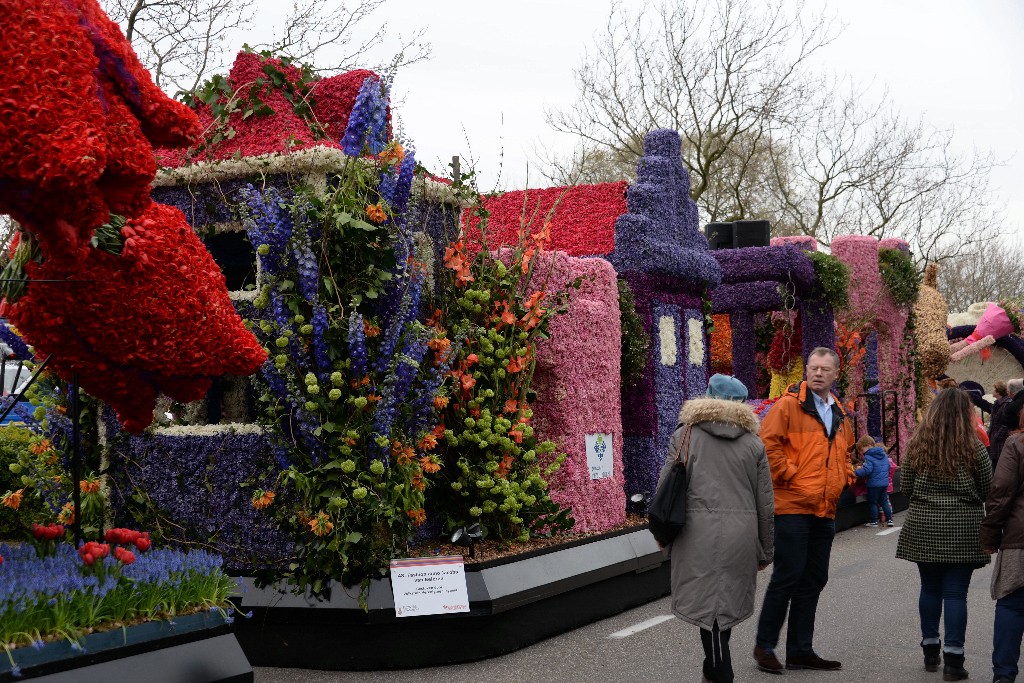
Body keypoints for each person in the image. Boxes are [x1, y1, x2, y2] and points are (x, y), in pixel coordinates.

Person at [658, 373, 774, 683]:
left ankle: (721, 671)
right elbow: (765, 501)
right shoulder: (754, 443)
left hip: (695, 533)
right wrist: (765, 548)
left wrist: (664, 538)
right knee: (726, 604)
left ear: (707, 397)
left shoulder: (685, 435)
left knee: (707, 608)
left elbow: (666, 490)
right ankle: (714, 669)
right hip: (741, 534)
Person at [754, 347, 855, 674]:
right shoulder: (787, 406)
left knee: (814, 578)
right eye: (813, 367)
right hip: (793, 505)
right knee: (788, 574)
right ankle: (765, 646)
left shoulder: (837, 410)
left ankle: (800, 650)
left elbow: (846, 450)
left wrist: (845, 477)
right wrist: (793, 475)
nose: (818, 373)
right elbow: (766, 446)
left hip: (824, 508)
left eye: (825, 369)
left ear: (835, 373)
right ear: (807, 370)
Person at [896, 388, 993, 680]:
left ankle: (929, 650)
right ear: (966, 413)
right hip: (963, 526)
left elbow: (906, 487)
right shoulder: (973, 447)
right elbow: (987, 487)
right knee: (955, 594)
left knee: (929, 588)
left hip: (924, 524)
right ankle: (954, 658)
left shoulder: (917, 445)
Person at [981, 407, 1024, 683]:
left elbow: (1002, 490)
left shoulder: (1017, 443)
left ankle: (1004, 675)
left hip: (1020, 538)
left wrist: (990, 532)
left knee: (1012, 603)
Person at [854, 441, 895, 528]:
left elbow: (867, 470)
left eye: (861, 450)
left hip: (873, 484)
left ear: (867, 446)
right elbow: (888, 466)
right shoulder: (883, 454)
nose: (861, 452)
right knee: (884, 502)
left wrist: (856, 473)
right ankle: (890, 520)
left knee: (873, 502)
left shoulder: (868, 456)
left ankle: (874, 521)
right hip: (884, 483)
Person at [991, 379, 1024, 465]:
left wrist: (996, 436)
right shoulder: (998, 404)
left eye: (994, 389)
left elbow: (1005, 425)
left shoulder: (1009, 405)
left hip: (1003, 441)